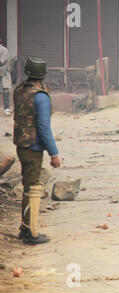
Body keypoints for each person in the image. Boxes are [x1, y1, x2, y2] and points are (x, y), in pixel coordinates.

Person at [14, 57, 61, 245]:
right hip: (33, 148)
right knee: (33, 189)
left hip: (21, 145)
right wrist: (54, 153)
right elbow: (43, 127)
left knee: (27, 188)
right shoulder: (40, 96)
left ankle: (25, 227)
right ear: (43, 75)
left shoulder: (20, 90)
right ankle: (32, 233)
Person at [0, 38, 12, 116]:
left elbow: (3, 61)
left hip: (3, 72)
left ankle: (6, 108)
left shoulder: (4, 50)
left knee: (6, 90)